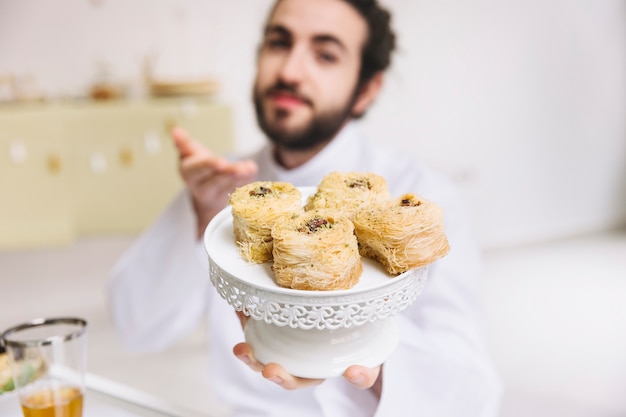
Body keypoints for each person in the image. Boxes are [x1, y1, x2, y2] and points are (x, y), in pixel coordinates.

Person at [108, 0, 503, 415]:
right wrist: (200, 214)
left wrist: (359, 344)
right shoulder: (228, 194)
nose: (290, 71)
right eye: (279, 43)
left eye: (325, 54)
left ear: (366, 89)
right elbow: (134, 328)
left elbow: (474, 396)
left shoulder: (419, 201)